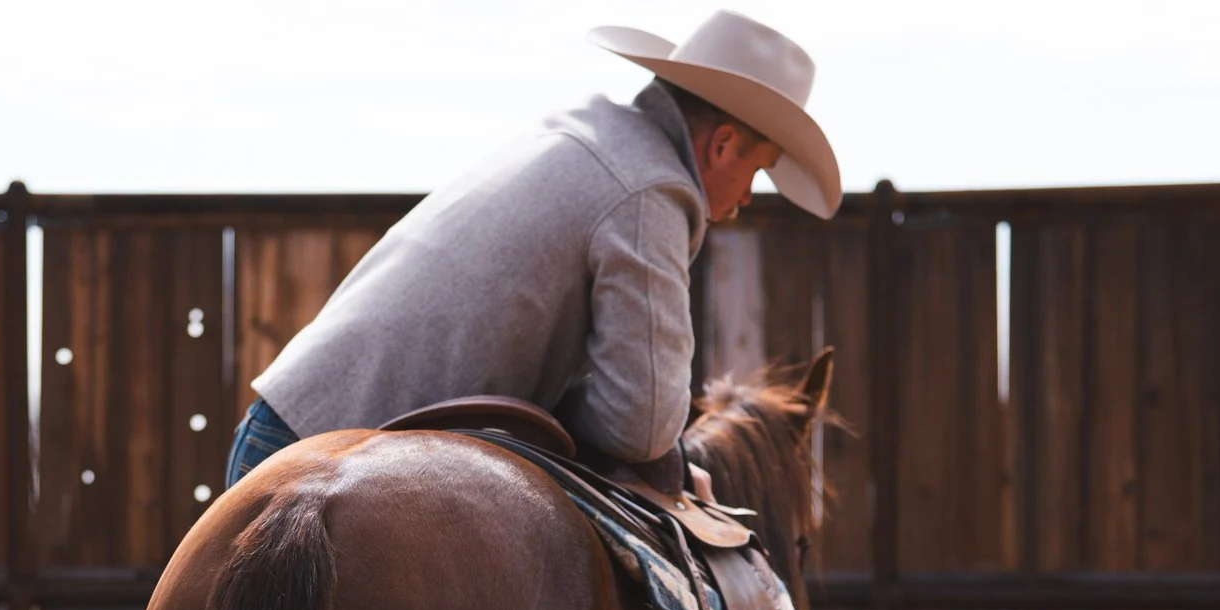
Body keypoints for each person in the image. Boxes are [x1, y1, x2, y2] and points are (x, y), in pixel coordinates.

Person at [225, 10, 842, 490]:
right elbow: (643, 421)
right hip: (340, 474)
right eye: (759, 172)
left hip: (278, 440)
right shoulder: (652, 188)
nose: (748, 200)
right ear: (724, 144)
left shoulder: (588, 133)